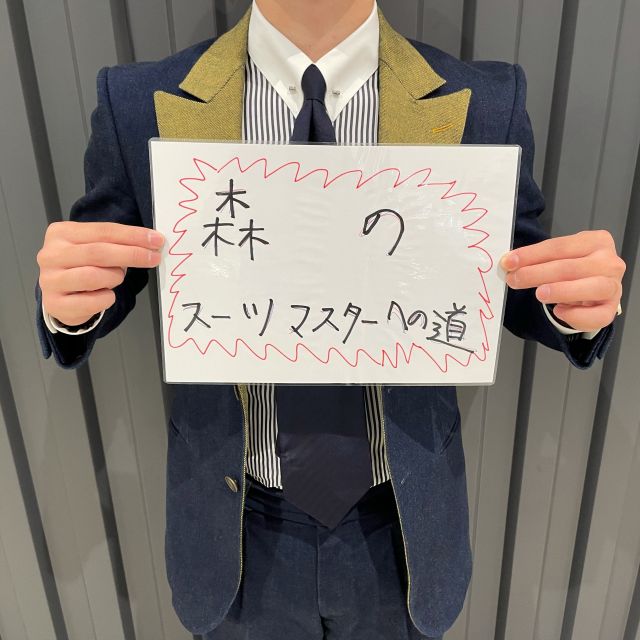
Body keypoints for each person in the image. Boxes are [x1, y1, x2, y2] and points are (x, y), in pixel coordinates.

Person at [34, 1, 625, 638]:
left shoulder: (483, 102)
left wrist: (574, 302)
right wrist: (70, 303)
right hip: (235, 526)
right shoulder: (138, 102)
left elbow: (509, 274)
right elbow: (111, 272)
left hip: (400, 525)